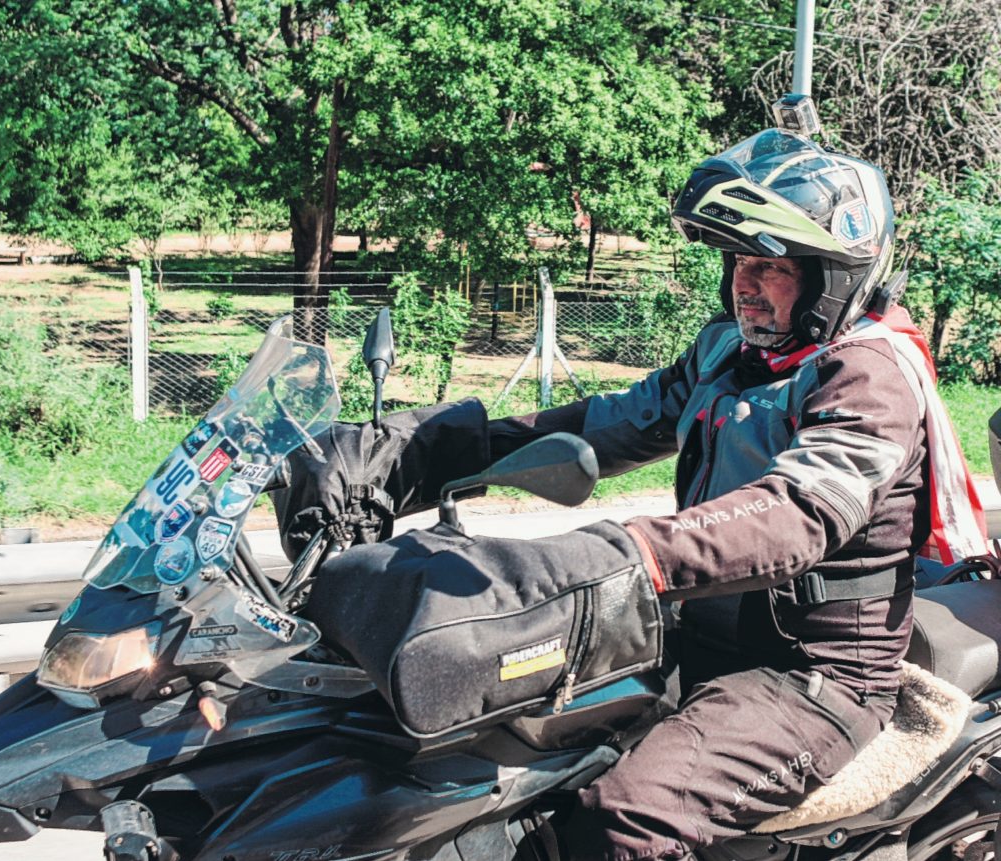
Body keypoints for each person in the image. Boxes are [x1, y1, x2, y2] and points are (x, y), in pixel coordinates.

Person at [275, 126, 988, 860]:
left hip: (815, 677)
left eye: (768, 266)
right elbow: (604, 423)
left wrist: (628, 549)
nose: (744, 282)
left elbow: (799, 513)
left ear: (832, 274)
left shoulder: (869, 376)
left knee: (626, 813)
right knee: (492, 734)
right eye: (738, 261)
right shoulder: (728, 354)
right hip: (692, 636)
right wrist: (417, 453)